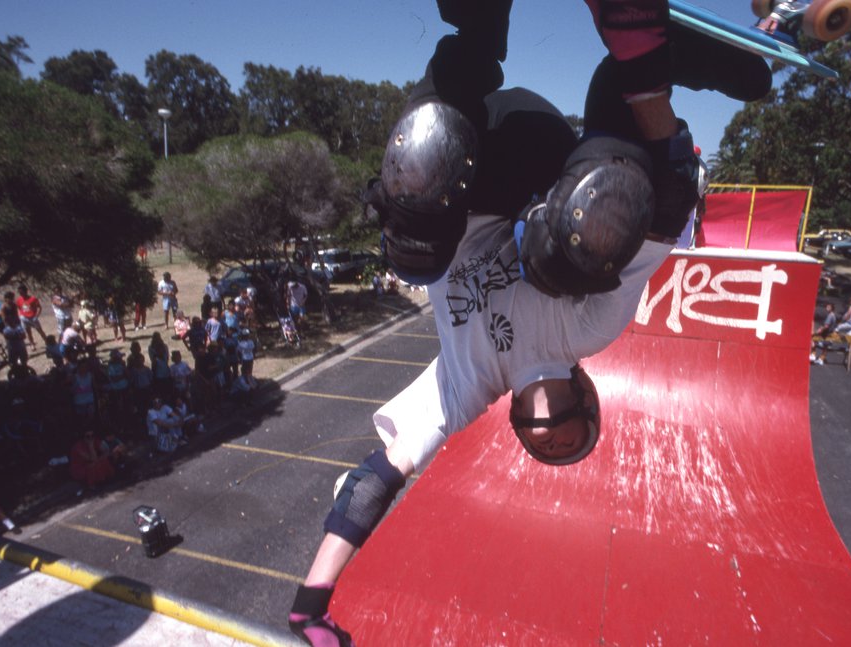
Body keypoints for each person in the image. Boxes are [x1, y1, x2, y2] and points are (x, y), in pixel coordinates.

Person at [287, 2, 772, 643]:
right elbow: (657, 230)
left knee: (419, 242)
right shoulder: (581, 335)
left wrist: (311, 605)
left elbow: (375, 481)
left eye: (549, 448)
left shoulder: (461, 393)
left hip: (467, 157)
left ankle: (483, 28)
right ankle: (659, 57)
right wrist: (664, 122)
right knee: (595, 232)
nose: (552, 438)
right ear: (579, 396)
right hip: (551, 164)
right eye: (568, 440)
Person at [16, 284, 48, 349]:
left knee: (40, 330)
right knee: (28, 332)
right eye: (19, 292)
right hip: (24, 318)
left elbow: (39, 307)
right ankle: (32, 344)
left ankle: (47, 342)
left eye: (22, 292)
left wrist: (36, 316)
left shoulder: (33, 299)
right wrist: (20, 315)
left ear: (25, 291)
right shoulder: (19, 300)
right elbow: (18, 308)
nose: (21, 294)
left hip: (33, 318)